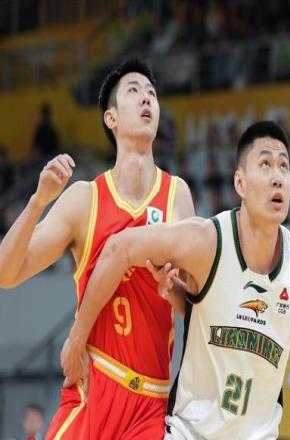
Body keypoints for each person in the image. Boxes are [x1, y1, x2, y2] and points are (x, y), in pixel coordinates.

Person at [62, 121, 290, 440]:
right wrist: (78, 335)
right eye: (265, 164)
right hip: (190, 433)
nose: (277, 177)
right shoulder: (207, 241)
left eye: (284, 167)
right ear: (240, 183)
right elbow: (119, 247)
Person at [0, 59, 195, 439]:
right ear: (111, 118)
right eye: (134, 91)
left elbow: (195, 305)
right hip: (93, 390)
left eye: (152, 94)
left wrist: (170, 288)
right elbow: (7, 274)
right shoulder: (84, 199)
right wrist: (37, 202)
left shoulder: (177, 196)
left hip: (150, 406)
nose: (147, 99)